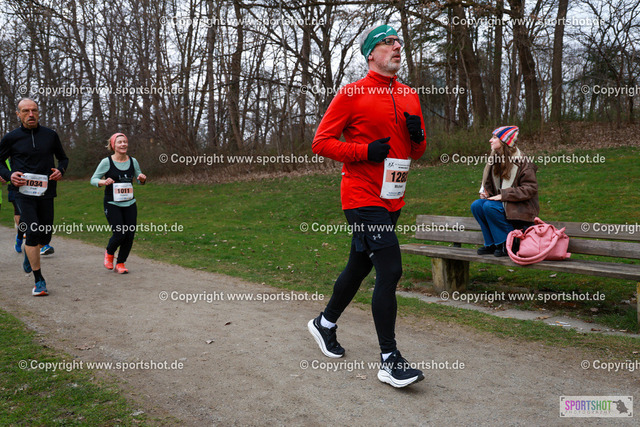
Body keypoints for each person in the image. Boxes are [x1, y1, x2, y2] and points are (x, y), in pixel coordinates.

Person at [307, 24, 426, 388]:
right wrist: (363, 151)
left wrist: (417, 137)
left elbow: (417, 152)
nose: (397, 46)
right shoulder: (352, 93)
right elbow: (321, 142)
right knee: (390, 269)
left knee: (359, 266)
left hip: (393, 197)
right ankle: (390, 360)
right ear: (371, 53)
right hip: (361, 197)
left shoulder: (409, 95)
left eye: (398, 42)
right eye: (388, 42)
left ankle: (324, 323)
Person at [0, 98, 69, 296]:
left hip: (46, 191)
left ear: (38, 112)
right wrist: (9, 175)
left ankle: (29, 255)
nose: (31, 114)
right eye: (26, 111)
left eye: (34, 110)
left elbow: (63, 158)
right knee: (33, 230)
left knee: (45, 235)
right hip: (22, 192)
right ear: (18, 114)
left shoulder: (50, 135)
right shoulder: (11, 138)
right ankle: (39, 280)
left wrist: (61, 170)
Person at [471, 126, 539, 257]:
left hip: (520, 207)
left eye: (494, 137)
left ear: (504, 141)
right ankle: (491, 244)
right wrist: (487, 193)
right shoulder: (495, 160)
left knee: (489, 206)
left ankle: (508, 244)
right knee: (477, 205)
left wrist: (503, 195)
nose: (490, 140)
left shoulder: (523, 161)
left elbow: (530, 189)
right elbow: (492, 185)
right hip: (505, 204)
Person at [90, 133, 146, 274]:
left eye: (125, 141)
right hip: (112, 203)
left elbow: (139, 179)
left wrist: (142, 179)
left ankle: (120, 263)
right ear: (113, 145)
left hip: (130, 203)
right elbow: (93, 179)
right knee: (120, 233)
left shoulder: (133, 161)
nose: (123, 144)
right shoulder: (106, 162)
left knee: (129, 234)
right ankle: (109, 253)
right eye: (119, 142)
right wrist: (103, 182)